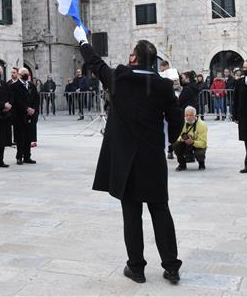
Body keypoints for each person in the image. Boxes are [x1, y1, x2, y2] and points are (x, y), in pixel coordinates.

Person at [74, 26, 183, 284]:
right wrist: (165, 142)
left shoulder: (119, 78)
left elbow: (96, 64)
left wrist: (82, 42)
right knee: (160, 211)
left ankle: (136, 267)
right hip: (153, 159)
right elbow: (176, 120)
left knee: (131, 214)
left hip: (127, 160)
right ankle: (171, 266)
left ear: (134, 58)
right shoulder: (164, 86)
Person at [11, 67, 39, 165]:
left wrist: (34, 109)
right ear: (19, 75)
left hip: (30, 115)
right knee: (20, 137)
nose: (26, 75)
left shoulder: (31, 85)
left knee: (28, 136)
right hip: (20, 115)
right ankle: (19, 156)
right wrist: (26, 108)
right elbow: (16, 100)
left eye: (27, 73)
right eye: (24, 73)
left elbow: (36, 98)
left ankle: (27, 156)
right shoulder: (15, 86)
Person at [169, 71, 198, 160]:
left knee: (185, 134)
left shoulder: (187, 89)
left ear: (188, 79)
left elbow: (181, 100)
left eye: (183, 78)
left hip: (187, 113)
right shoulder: (192, 87)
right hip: (191, 112)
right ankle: (189, 153)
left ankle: (188, 154)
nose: (181, 80)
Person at [173, 106, 207, 171]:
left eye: (191, 115)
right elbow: (177, 136)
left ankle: (201, 163)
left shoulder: (202, 125)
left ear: (195, 116)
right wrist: (181, 139)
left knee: (200, 153)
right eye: (187, 115)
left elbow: (203, 143)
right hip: (185, 143)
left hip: (197, 144)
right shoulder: (182, 123)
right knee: (175, 144)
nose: (188, 117)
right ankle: (182, 164)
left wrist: (193, 142)